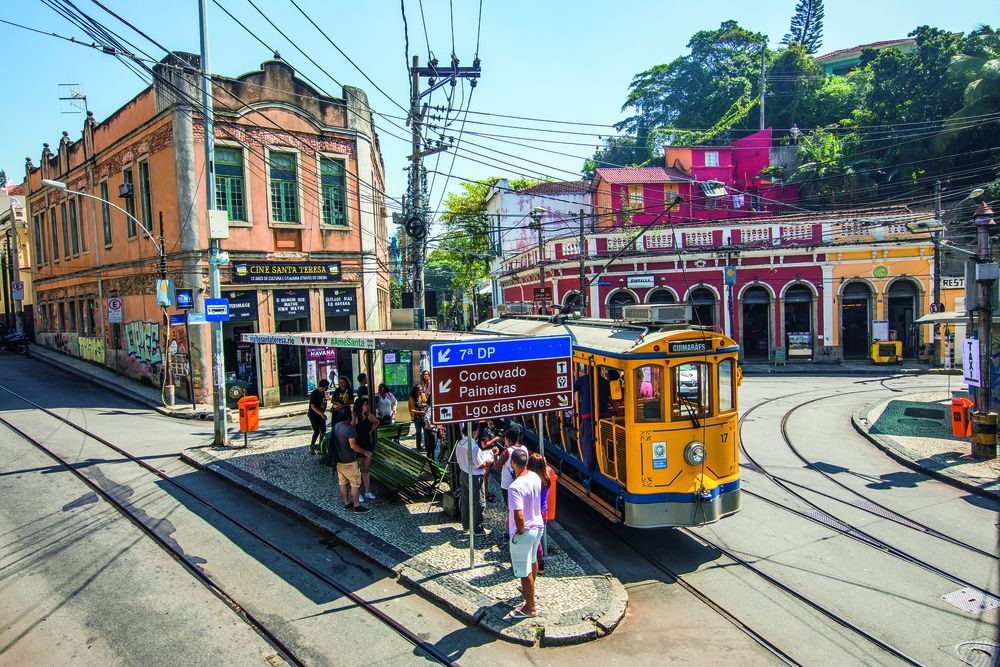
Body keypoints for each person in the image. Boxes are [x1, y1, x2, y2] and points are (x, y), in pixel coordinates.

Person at [507, 448, 544, 619]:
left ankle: (530, 607)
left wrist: (520, 532)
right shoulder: (535, 477)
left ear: (512, 463)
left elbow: (519, 515)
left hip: (525, 531)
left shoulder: (514, 487)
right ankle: (531, 591)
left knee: (523, 570)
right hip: (538, 527)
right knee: (533, 561)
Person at [454, 421, 494, 535]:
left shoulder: (461, 443)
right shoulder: (473, 446)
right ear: (474, 431)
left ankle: (466, 525)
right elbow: (479, 465)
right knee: (479, 502)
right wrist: (489, 460)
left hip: (464, 473)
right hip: (474, 477)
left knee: (466, 501)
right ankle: (478, 528)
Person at [332, 406, 371, 513]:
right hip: (350, 461)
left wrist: (353, 420)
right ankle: (357, 506)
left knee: (343, 483)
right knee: (355, 484)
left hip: (339, 461)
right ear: (349, 416)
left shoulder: (336, 426)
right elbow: (353, 445)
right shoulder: (349, 429)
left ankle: (346, 503)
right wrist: (364, 452)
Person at [526, 453, 557, 574]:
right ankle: (539, 565)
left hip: (535, 512)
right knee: (537, 539)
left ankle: (539, 565)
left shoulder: (534, 481)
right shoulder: (546, 478)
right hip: (543, 511)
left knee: (535, 542)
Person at [493, 425, 528, 511]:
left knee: (511, 508)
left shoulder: (507, 452)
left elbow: (497, 466)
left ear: (508, 440)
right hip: (522, 483)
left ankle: (512, 522)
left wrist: (495, 455)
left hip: (507, 484)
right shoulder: (524, 449)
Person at [353, 396, 379, 500]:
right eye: (365, 404)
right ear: (360, 406)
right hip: (358, 444)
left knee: (366, 469)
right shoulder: (355, 416)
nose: (367, 406)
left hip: (367, 444)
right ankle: (357, 492)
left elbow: (377, 421)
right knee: (358, 469)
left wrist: (370, 431)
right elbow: (351, 428)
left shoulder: (368, 415)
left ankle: (367, 491)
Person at [573, 370, 597, 471]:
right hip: (603, 414)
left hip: (587, 415)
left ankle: (588, 464)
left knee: (587, 439)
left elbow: (572, 389)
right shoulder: (604, 381)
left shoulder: (583, 380)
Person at [308, 379, 329, 456]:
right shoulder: (315, 393)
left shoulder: (323, 392)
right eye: (326, 387)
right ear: (322, 387)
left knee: (323, 431)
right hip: (314, 415)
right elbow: (312, 406)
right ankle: (311, 447)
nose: (327, 388)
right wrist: (321, 414)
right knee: (316, 431)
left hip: (321, 414)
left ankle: (321, 447)